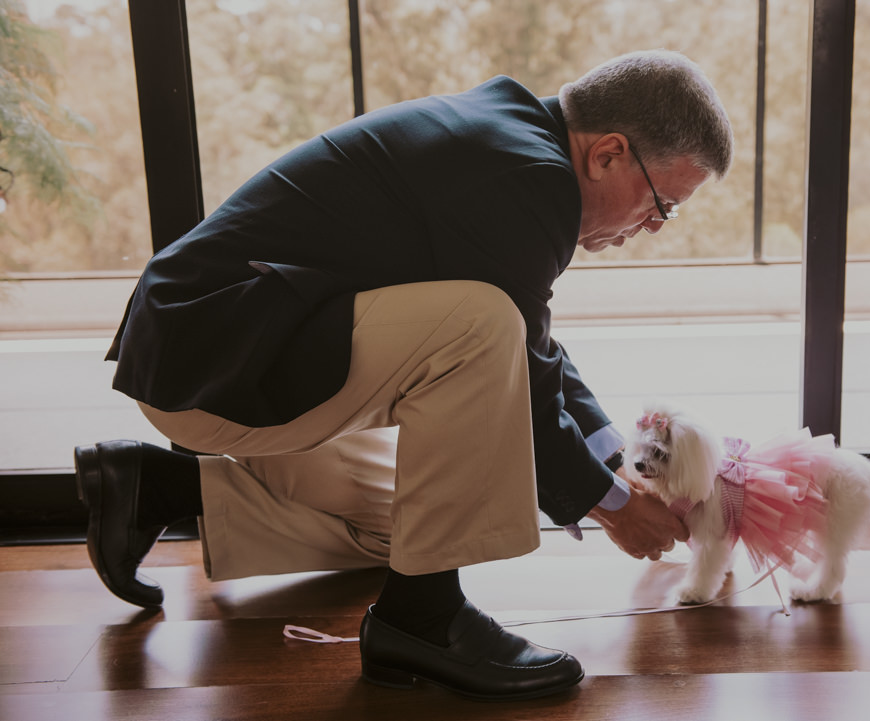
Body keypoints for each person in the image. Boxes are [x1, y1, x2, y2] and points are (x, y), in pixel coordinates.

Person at [75, 49, 733, 701]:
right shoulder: (522, 175)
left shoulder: (516, 139)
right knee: (482, 324)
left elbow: (537, 348)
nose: (651, 227)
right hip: (216, 355)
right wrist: (613, 506)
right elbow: (518, 363)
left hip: (239, 346)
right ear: (609, 152)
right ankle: (421, 619)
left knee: (408, 531)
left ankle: (157, 487)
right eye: (662, 205)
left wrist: (615, 458)